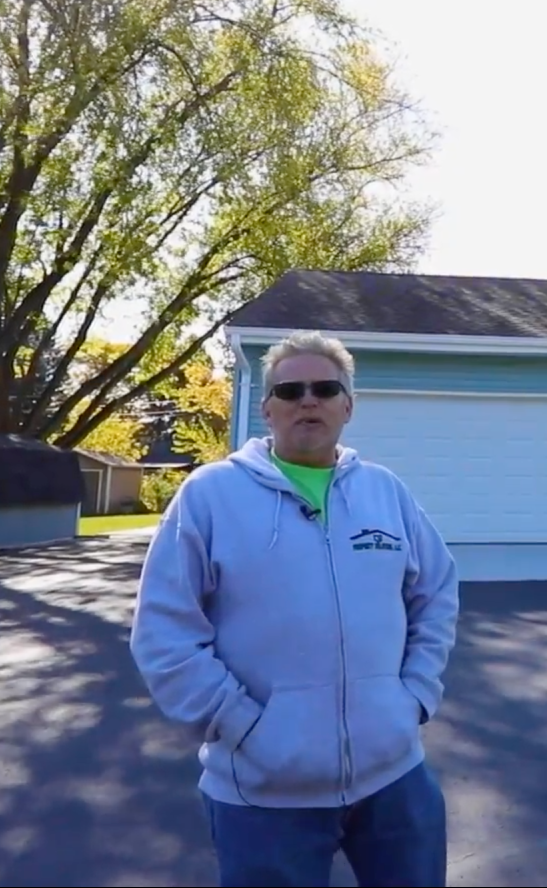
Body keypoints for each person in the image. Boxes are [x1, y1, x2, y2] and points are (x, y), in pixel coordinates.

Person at [129, 330, 460, 888]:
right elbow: (164, 633)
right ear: (267, 409)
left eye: (325, 388)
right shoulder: (210, 496)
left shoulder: (385, 492)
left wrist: (416, 695)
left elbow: (437, 592)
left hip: (396, 781)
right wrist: (243, 727)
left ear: (347, 406)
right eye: (290, 390)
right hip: (263, 796)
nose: (308, 400)